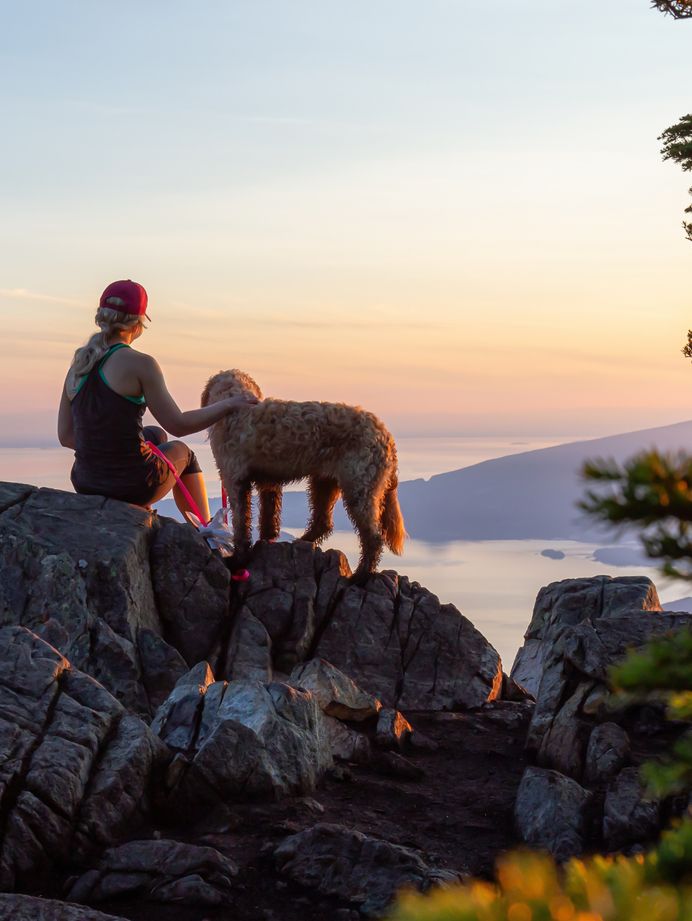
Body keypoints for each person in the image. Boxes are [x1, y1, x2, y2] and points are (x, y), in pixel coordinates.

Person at [58, 279, 257, 523]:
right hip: (132, 485)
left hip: (85, 481)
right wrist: (229, 404)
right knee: (185, 454)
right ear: (139, 323)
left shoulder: (78, 365)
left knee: (156, 434)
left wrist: (104, 452)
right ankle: (207, 535)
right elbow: (179, 425)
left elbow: (66, 436)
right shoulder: (141, 364)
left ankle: (139, 514)